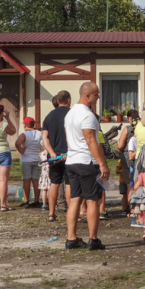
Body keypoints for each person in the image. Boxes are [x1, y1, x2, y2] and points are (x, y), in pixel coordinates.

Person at [64, 82, 109, 250]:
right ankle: (93, 239)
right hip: (86, 161)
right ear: (87, 96)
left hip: (72, 160)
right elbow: (91, 141)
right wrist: (103, 164)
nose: (98, 97)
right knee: (92, 201)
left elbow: (68, 138)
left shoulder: (70, 114)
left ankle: (71, 238)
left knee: (75, 200)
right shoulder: (88, 115)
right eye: (96, 94)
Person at [42, 91, 72, 222]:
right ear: (69, 100)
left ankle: (51, 213)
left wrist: (53, 154)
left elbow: (44, 137)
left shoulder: (49, 116)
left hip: (54, 156)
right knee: (69, 184)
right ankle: (72, 213)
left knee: (54, 183)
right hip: (70, 155)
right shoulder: (72, 114)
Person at [15, 116, 42, 208]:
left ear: (26, 125)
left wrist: (21, 150)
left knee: (26, 180)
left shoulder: (24, 134)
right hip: (37, 159)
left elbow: (17, 143)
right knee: (36, 180)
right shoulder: (39, 133)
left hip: (26, 159)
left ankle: (26, 201)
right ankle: (37, 200)